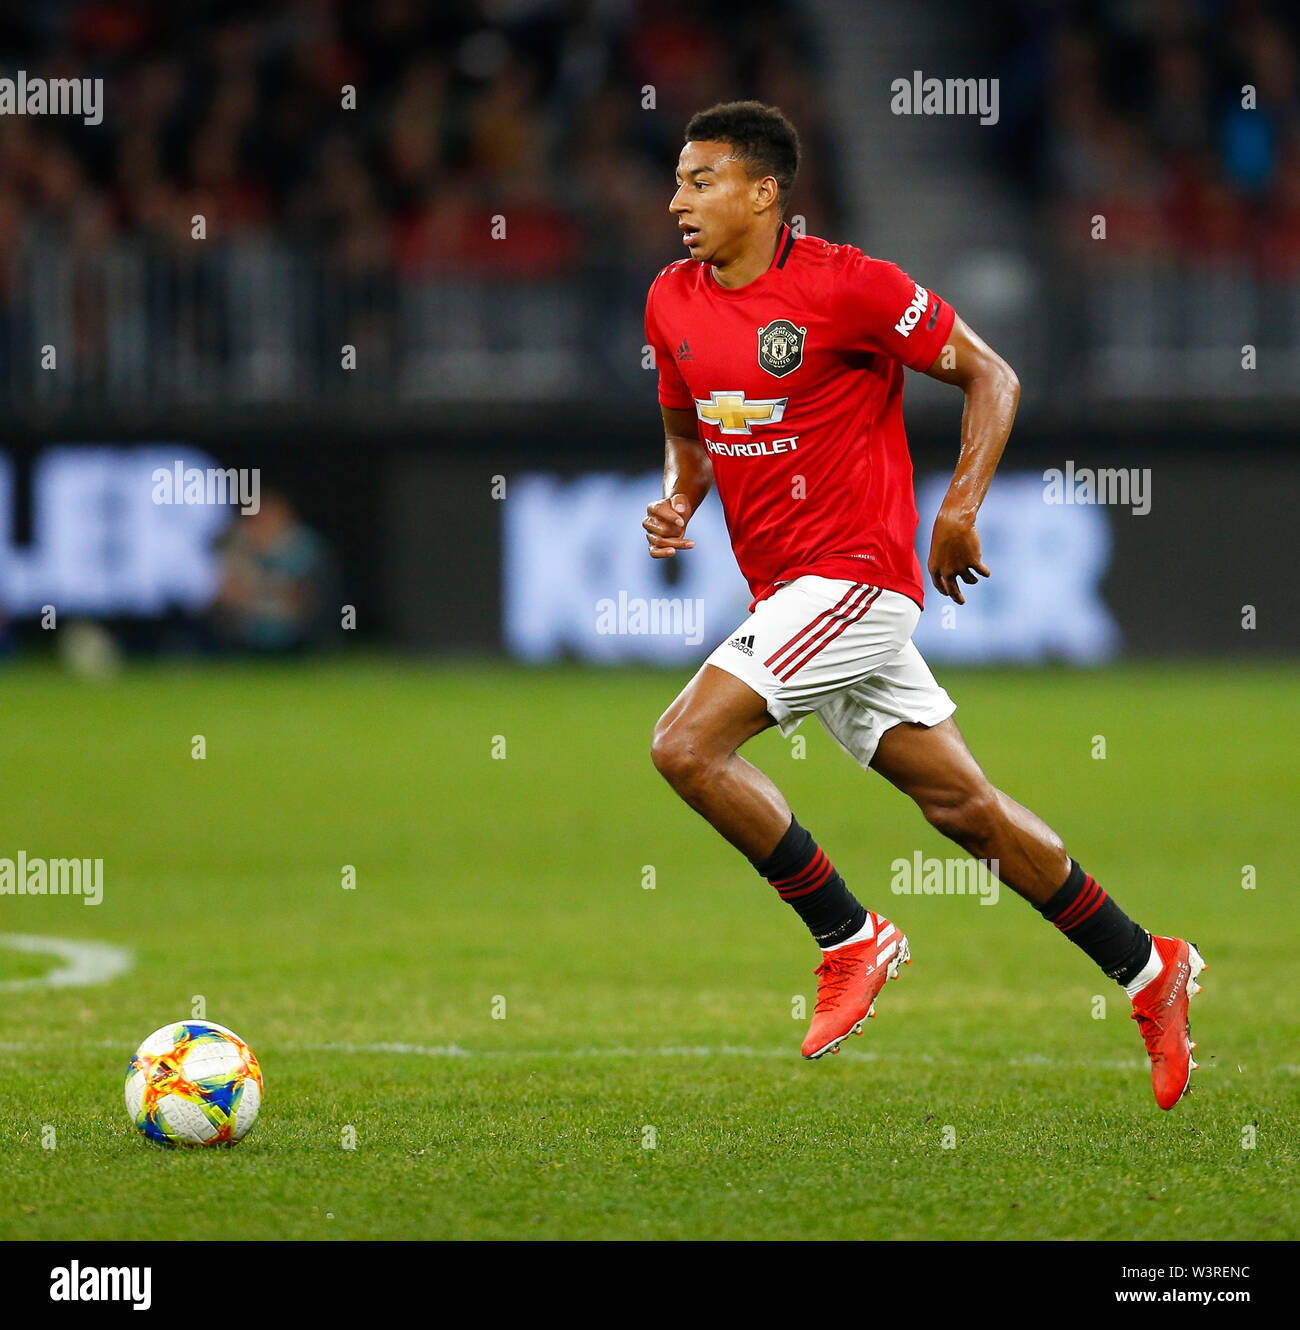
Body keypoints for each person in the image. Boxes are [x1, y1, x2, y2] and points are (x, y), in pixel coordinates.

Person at [643, 101, 1204, 1108]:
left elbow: (991, 374)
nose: (678, 200)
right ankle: (1150, 968)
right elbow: (690, 427)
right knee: (965, 810)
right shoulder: (671, 302)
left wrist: (956, 506)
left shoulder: (849, 287)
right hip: (788, 588)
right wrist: (682, 498)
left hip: (855, 577)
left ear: (765, 192)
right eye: (679, 180)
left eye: (701, 180)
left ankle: (849, 934)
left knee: (685, 746)